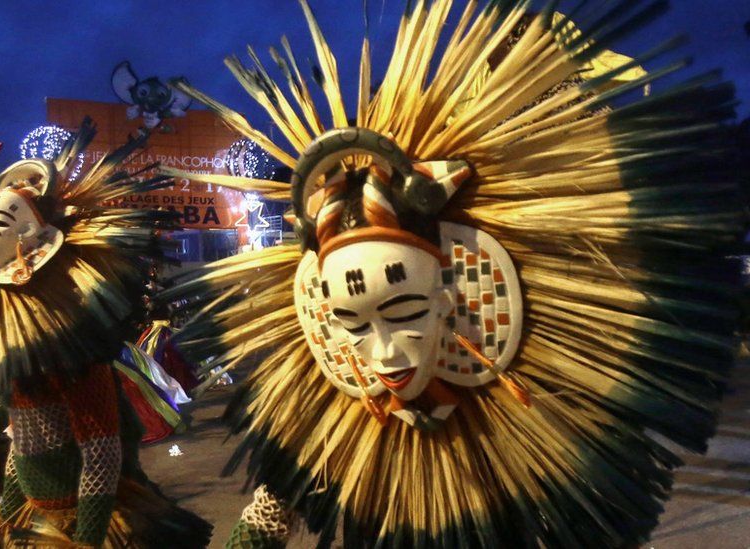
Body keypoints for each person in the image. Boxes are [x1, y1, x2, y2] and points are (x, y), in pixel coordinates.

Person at [162, 2, 745, 547]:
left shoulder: (526, 412)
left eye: (405, 310)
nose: (383, 354)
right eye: (353, 320)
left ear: (457, 294)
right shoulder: (337, 407)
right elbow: (276, 497)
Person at [0, 119, 211, 547]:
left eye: (2, 222)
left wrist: (85, 540)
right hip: (38, 518)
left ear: (34, 240)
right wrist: (10, 516)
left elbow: (102, 456)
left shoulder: (77, 360)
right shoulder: (18, 348)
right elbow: (20, 434)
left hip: (83, 523)